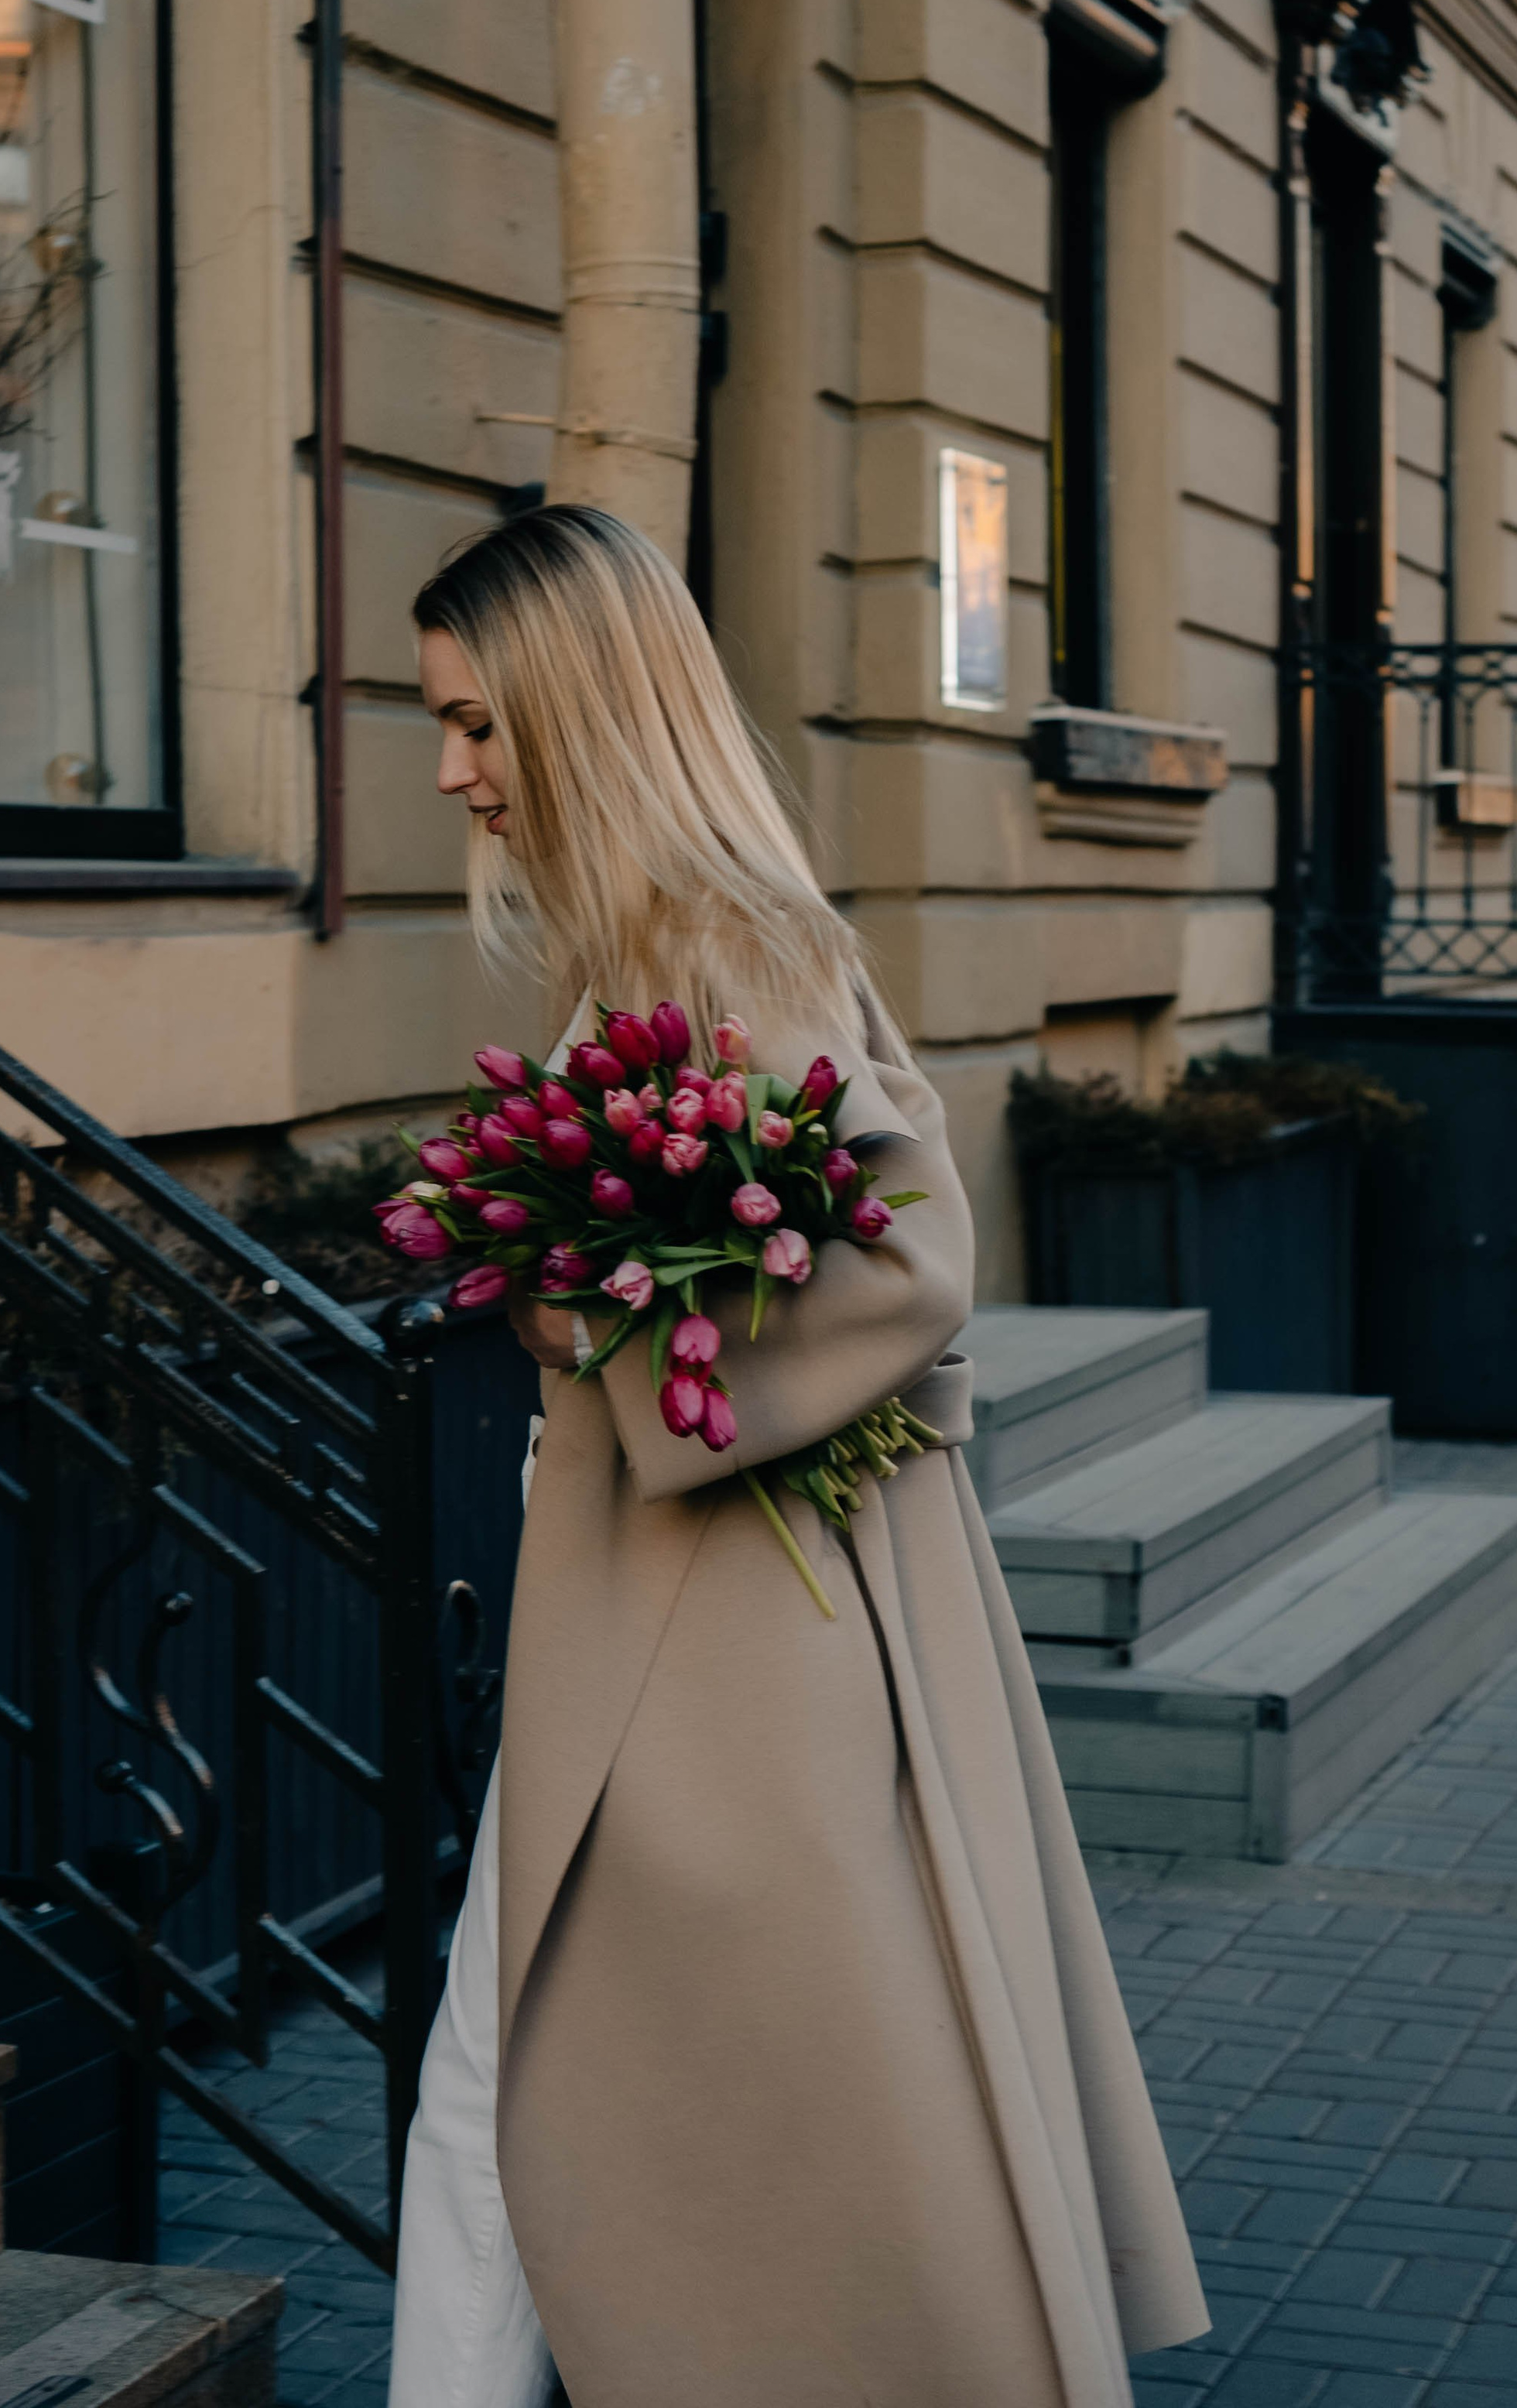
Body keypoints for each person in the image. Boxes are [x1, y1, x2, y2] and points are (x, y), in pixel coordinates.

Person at [387, 503, 1209, 2408]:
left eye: (477, 723)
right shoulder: (665, 939)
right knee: (501, 2098)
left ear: (583, 707)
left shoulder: (716, 941)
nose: (451, 773)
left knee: (511, 2100)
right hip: (664, 1619)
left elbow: (905, 1260)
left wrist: (572, 1313)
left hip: (713, 1635)